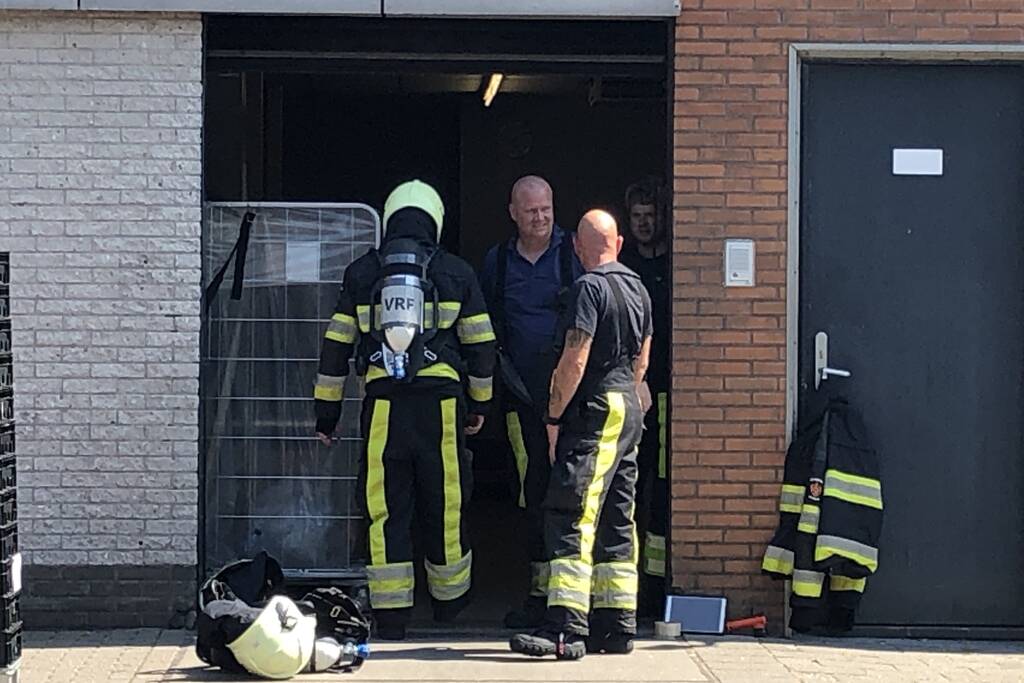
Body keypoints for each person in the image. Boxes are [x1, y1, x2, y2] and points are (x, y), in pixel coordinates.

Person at [313, 180, 497, 641]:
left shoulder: (361, 273)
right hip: (441, 409)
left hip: (384, 409)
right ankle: (449, 604)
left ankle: (392, 613)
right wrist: (480, 404)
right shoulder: (456, 271)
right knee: (446, 501)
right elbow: (482, 345)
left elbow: (336, 348)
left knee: (384, 506)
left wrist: (326, 416)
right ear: (435, 220)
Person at [510, 209, 652, 660]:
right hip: (629, 404)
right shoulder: (638, 288)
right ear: (620, 244)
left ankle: (565, 630)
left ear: (576, 247)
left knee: (571, 510)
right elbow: (643, 359)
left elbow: (576, 357)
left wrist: (553, 416)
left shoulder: (588, 288)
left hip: (595, 408)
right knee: (616, 515)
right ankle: (616, 626)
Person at [480, 175, 582, 628]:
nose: (540, 218)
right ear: (513, 213)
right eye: (531, 211)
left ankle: (573, 600)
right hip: (521, 401)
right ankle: (539, 596)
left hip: (572, 401)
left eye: (546, 209)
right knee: (532, 494)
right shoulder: (497, 263)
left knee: (571, 493)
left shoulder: (573, 255)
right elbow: (481, 330)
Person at [618, 177, 671, 617]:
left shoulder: (672, 265)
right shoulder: (626, 267)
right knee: (630, 486)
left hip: (670, 394)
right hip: (632, 390)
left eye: (650, 217)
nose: (644, 224)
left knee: (664, 486)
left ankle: (657, 587)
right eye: (636, 218)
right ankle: (633, 585)